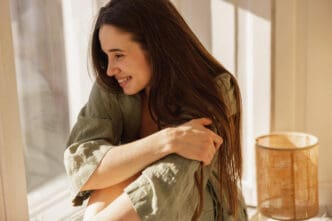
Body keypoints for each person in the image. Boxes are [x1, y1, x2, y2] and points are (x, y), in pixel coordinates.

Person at [64, 0, 248, 220]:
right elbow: (84, 169)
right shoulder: (113, 84)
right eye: (106, 56)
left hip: (201, 208)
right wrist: (167, 140)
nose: (111, 69)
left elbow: (167, 185)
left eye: (119, 55)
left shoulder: (212, 90)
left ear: (155, 47)